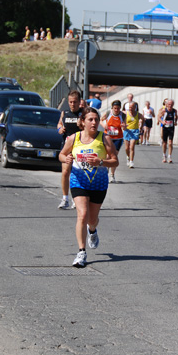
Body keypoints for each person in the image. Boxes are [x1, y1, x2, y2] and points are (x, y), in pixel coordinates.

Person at [59, 107, 118, 267]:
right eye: (90, 119)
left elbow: (115, 161)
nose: (94, 122)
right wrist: (67, 159)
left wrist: (100, 162)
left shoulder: (104, 139)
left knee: (92, 220)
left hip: (98, 183)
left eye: (96, 120)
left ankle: (92, 230)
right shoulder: (73, 138)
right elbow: (61, 154)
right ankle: (81, 252)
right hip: (79, 181)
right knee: (82, 215)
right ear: (83, 121)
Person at [57, 91, 83, 209]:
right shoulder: (65, 113)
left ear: (79, 102)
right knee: (65, 172)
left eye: (75, 102)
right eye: (70, 102)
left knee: (78, 173)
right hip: (67, 146)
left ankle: (76, 199)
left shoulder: (83, 114)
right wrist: (60, 129)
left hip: (79, 147)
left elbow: (89, 129)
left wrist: (81, 125)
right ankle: (65, 198)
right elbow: (58, 124)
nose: (72, 104)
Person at [101, 100, 126, 182]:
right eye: (115, 108)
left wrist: (124, 126)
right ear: (112, 108)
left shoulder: (123, 115)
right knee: (107, 156)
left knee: (114, 157)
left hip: (118, 138)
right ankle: (106, 172)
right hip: (108, 137)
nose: (116, 110)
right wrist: (104, 125)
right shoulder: (108, 113)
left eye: (118, 108)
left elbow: (125, 127)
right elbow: (100, 120)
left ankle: (112, 175)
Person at [123, 100, 143, 168]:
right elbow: (121, 120)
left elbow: (143, 119)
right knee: (126, 148)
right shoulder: (126, 113)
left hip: (135, 131)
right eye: (129, 107)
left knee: (132, 147)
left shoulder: (138, 114)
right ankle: (128, 157)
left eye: (132, 107)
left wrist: (141, 127)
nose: (130, 108)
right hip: (127, 131)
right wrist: (123, 125)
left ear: (135, 107)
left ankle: (131, 161)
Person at [157, 99, 178, 163]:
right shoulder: (164, 110)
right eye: (169, 104)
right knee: (164, 142)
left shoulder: (174, 111)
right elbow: (159, 117)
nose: (170, 106)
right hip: (165, 128)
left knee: (170, 142)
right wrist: (162, 121)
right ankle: (164, 155)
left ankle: (169, 156)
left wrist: (175, 121)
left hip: (171, 127)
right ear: (166, 104)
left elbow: (176, 116)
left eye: (171, 104)